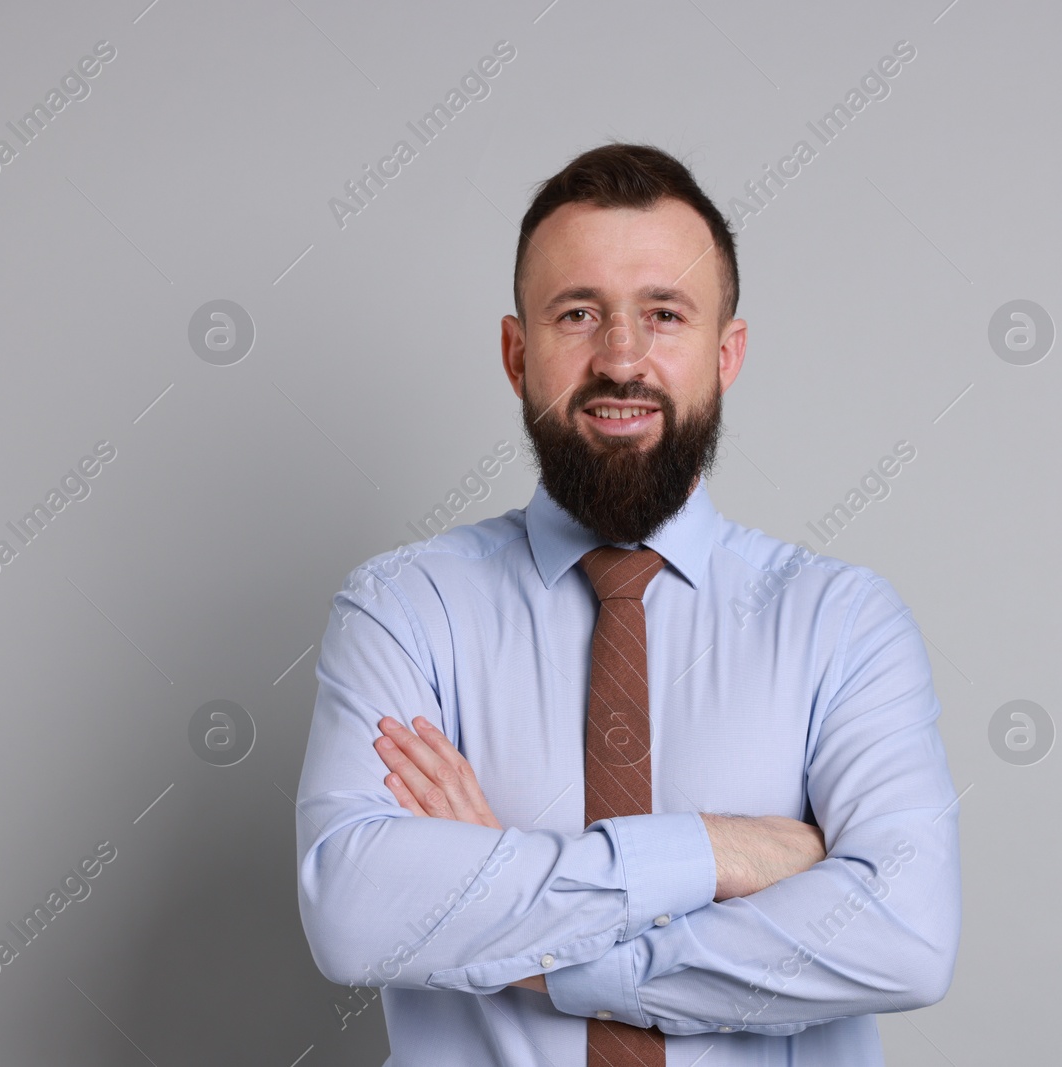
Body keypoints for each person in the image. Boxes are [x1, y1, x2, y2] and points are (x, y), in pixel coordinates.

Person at [294, 141, 960, 1065]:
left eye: (665, 314)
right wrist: (715, 854)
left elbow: (906, 936)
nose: (621, 358)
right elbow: (358, 914)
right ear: (516, 352)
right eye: (579, 314)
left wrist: (517, 922)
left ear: (725, 354)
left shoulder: (842, 623)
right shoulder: (405, 610)